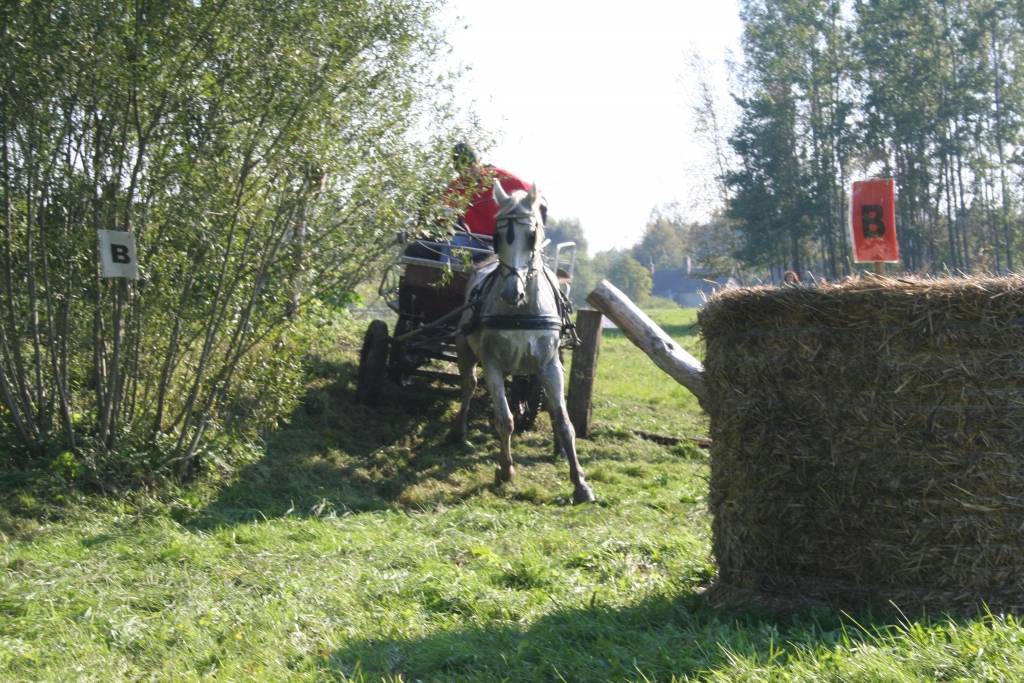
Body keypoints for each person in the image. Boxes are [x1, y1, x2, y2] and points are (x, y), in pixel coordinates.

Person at [443, 143, 544, 251]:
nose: (468, 172)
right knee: (452, 245)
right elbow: (439, 213)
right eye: (463, 169)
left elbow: (534, 194)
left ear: (478, 162)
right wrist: (444, 213)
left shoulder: (500, 177)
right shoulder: (454, 188)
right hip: (471, 241)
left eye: (471, 166)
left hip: (503, 242)